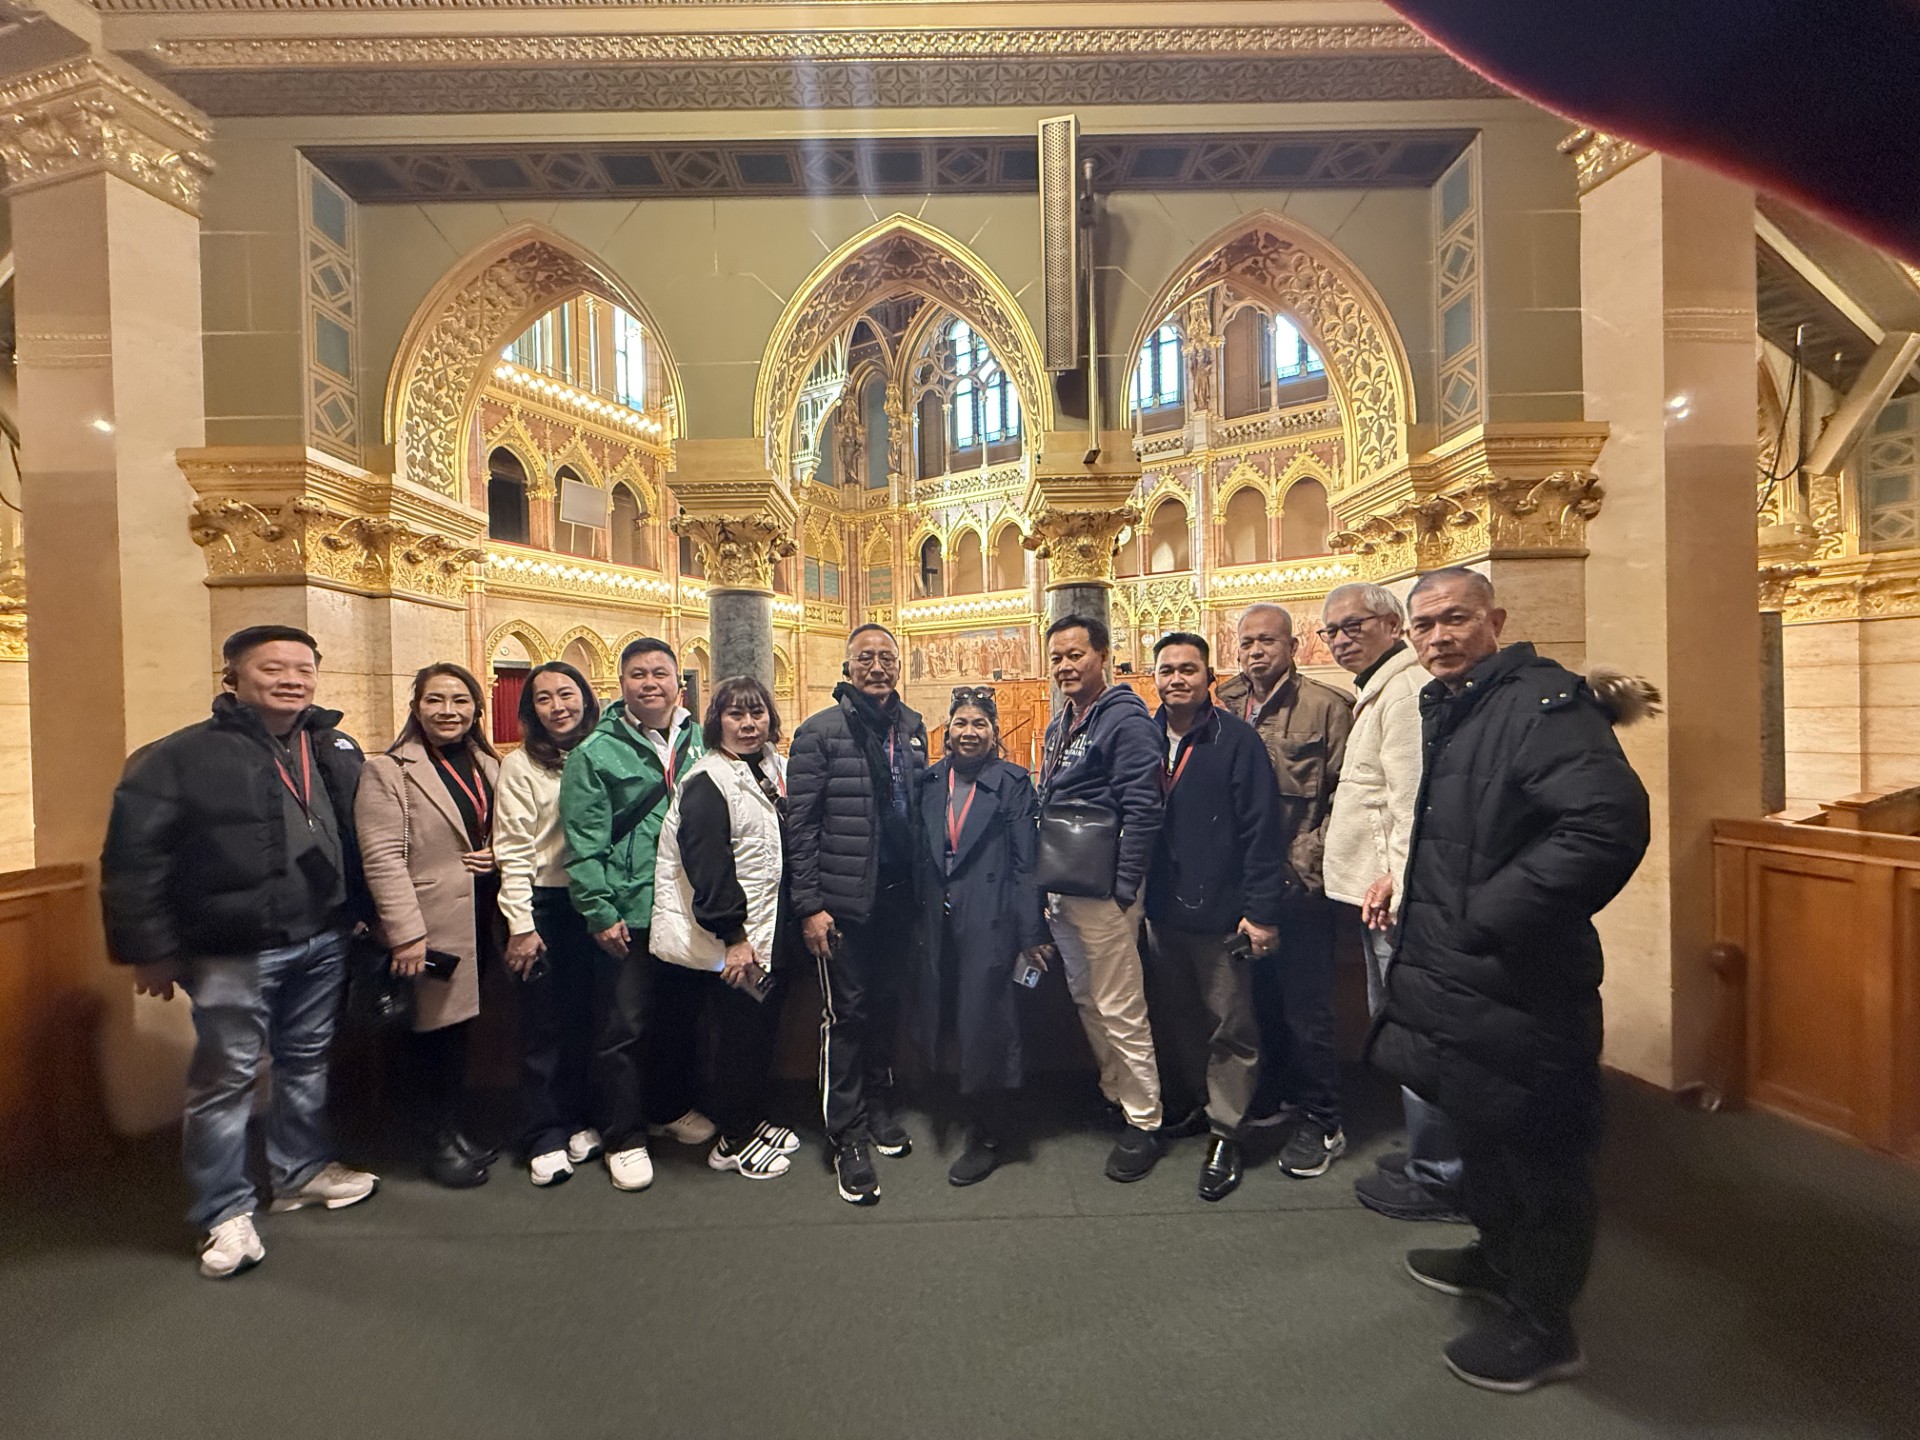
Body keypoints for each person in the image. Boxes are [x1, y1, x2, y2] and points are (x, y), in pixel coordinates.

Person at [1369, 567, 1651, 1392]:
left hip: (1526, 976)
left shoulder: (1541, 703)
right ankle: (1499, 1260)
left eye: (1456, 619)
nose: (1439, 637)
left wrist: (1492, 914)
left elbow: (1606, 824)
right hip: (1472, 978)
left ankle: (1545, 1326)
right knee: (1484, 1127)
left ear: (1495, 621)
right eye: (1424, 626)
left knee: (1539, 1149)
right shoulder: (1463, 706)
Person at [101, 625, 378, 1279]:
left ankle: (299, 1171)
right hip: (231, 949)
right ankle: (223, 1210)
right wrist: (150, 951)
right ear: (232, 676)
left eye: (304, 668)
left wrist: (364, 915)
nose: (292, 679)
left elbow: (357, 835)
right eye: (273, 667)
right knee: (225, 1079)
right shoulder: (177, 756)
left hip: (322, 937)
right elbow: (134, 860)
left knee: (305, 1062)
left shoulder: (331, 746)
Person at [1319, 582, 1465, 1223]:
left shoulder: (1404, 692)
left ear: (1392, 625)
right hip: (1378, 895)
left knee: (1417, 1033)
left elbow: (1412, 802)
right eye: (1331, 631)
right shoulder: (1385, 687)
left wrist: (1400, 885)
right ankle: (1428, 1155)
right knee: (1401, 1028)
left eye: (1353, 626)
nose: (1340, 639)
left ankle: (1443, 1175)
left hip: (1392, 902)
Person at [560, 637, 713, 1192]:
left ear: (679, 685)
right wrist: (599, 910)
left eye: (660, 673)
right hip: (630, 908)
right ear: (620, 684)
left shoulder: (702, 741)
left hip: (690, 908)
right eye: (638, 674)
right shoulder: (595, 753)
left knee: (678, 1017)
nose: (650, 683)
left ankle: (667, 1109)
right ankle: (622, 1135)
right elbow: (583, 842)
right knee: (622, 1027)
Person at [1140, 634, 1288, 1202]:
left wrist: (1261, 912)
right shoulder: (1145, 736)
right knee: (1180, 1018)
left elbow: (1261, 832)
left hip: (1223, 913)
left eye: (1188, 669)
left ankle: (1228, 1131)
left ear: (1209, 676)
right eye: (1167, 670)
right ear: (1154, 677)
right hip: (1162, 909)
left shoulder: (1236, 740)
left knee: (1231, 1026)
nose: (1177, 679)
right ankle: (1198, 1107)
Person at [789, 622, 928, 1205]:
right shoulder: (818, 732)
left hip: (898, 898)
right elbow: (800, 827)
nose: (877, 666)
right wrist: (810, 906)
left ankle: (876, 1105)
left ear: (899, 666)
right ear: (847, 668)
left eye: (886, 657)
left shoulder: (912, 727)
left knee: (886, 1004)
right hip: (842, 905)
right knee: (845, 1016)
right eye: (865, 658)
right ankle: (846, 1135)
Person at [1213, 602, 1354, 1179]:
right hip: (1242, 888)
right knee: (1255, 1001)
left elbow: (1347, 798)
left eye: (1267, 641)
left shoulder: (1327, 707)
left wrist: (1302, 864)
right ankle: (1274, 1094)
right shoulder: (1223, 704)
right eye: (1247, 642)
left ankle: (1323, 1119)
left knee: (1306, 1008)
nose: (1255, 651)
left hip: (1298, 886)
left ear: (1293, 647)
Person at [651, 675, 804, 1181]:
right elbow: (709, 868)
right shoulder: (707, 781)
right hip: (736, 940)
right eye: (735, 714)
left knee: (759, 1034)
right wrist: (734, 940)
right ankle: (733, 1140)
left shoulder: (770, 767)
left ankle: (751, 1119)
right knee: (739, 1038)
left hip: (769, 930)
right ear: (717, 721)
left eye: (756, 712)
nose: (748, 723)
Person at [356, 663, 502, 1189]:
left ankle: (453, 1130)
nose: (448, 711)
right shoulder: (389, 771)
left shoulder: (488, 764)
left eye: (460, 701)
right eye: (435, 700)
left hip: (478, 919)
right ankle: (434, 1142)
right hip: (428, 925)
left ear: (476, 709)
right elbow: (382, 859)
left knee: (455, 1034)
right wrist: (406, 934)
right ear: (416, 707)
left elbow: (498, 831)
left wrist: (496, 854)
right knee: (428, 1037)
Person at [1038, 613, 1167, 1183]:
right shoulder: (1063, 720)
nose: (1066, 666)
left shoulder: (1125, 720)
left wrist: (1123, 889)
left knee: (1119, 1003)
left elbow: (1144, 808)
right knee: (1087, 996)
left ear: (1104, 657)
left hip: (1104, 891)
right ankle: (1115, 1091)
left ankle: (1145, 1119)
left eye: (1076, 655)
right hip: (1066, 885)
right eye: (1057, 658)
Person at [909, 687, 1053, 1187]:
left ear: (994, 733)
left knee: (986, 1021)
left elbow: (1026, 863)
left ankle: (992, 1130)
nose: (969, 732)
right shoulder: (930, 781)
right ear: (947, 730)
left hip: (990, 918)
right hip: (937, 919)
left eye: (980, 724)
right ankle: (950, 1103)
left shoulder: (1012, 783)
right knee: (942, 1013)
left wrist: (1031, 930)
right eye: (961, 723)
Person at [491, 661, 607, 1186]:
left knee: (588, 1018)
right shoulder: (522, 766)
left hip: (595, 901)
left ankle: (580, 1118)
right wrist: (521, 924)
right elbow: (514, 849)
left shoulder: (604, 750)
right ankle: (544, 1133)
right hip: (544, 903)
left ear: (586, 696)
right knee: (543, 1023)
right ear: (531, 710)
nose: (558, 706)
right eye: (544, 698)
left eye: (567, 693)